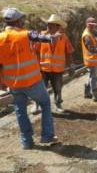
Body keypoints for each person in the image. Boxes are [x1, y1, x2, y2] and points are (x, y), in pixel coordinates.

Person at [0, 8, 58, 149]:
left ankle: (26, 141)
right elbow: (43, 38)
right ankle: (47, 136)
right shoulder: (26, 34)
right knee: (45, 103)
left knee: (20, 110)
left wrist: (1, 82)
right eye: (22, 20)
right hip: (32, 81)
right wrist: (54, 37)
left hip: (13, 84)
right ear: (18, 21)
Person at [31, 14, 74, 114]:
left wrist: (71, 66)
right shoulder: (41, 36)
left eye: (52, 24)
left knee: (58, 89)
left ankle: (58, 104)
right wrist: (35, 66)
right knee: (40, 88)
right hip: (43, 68)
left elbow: (68, 52)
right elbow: (35, 51)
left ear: (58, 26)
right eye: (48, 24)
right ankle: (36, 104)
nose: (49, 26)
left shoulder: (63, 38)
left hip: (57, 70)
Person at [81, 17, 97, 101]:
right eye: (91, 25)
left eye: (94, 25)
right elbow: (92, 49)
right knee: (94, 78)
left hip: (92, 59)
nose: (93, 27)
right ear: (87, 25)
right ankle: (96, 96)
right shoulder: (87, 35)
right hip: (90, 60)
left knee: (91, 76)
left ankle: (87, 93)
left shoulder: (91, 31)